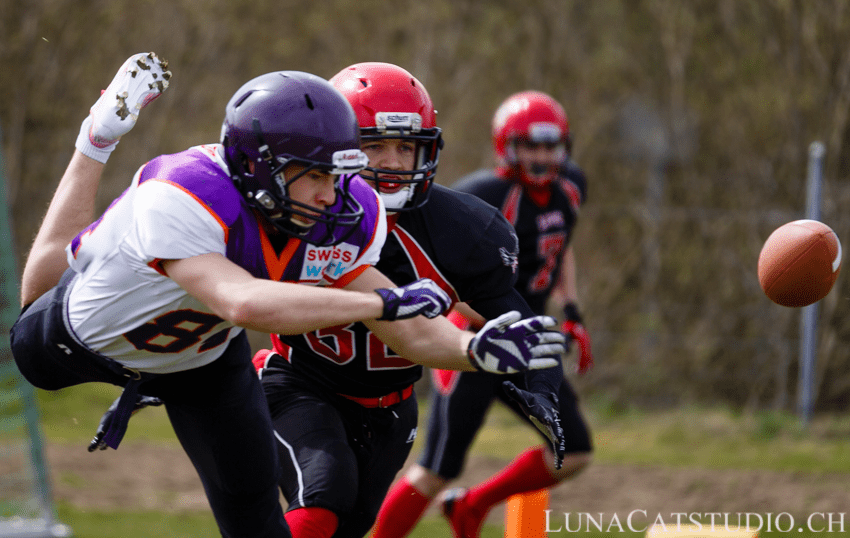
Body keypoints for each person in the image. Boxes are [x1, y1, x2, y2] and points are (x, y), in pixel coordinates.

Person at [10, 54, 564, 538]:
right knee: (35, 323)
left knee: (259, 519)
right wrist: (378, 303)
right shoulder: (182, 192)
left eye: (338, 174)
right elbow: (244, 304)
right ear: (257, 168)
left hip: (200, 361)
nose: (333, 194)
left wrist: (471, 350)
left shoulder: (344, 210)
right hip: (83, 343)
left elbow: (409, 327)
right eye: (315, 176)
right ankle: (96, 137)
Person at [252, 64, 570, 538]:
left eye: (406, 147)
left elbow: (521, 322)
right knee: (323, 497)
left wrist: (543, 389)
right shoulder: (300, 211)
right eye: (375, 146)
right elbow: (224, 287)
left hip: (392, 406)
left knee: (350, 526)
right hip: (300, 383)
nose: (395, 162)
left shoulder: (458, 229)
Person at [374, 90, 595, 538]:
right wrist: (486, 327)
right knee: (436, 469)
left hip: (529, 339)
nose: (541, 157)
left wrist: (571, 310)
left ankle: (472, 506)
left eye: (550, 146)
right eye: (530, 145)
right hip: (475, 340)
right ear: (507, 146)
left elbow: (559, 247)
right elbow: (442, 271)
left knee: (573, 450)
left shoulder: (570, 187)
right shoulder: (482, 195)